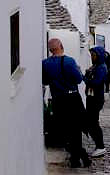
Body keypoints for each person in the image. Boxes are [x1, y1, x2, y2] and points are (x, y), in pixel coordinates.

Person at [42, 38, 91, 168]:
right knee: (76, 129)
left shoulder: (45, 63)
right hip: (72, 98)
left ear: (50, 50)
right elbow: (79, 79)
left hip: (58, 100)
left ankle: (76, 157)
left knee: (64, 130)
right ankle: (80, 157)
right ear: (62, 46)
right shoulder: (69, 61)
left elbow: (45, 81)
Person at [84, 46, 108, 157]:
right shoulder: (96, 66)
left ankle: (100, 146)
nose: (92, 57)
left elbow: (95, 82)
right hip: (91, 97)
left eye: (94, 55)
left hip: (96, 99)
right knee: (90, 122)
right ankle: (99, 146)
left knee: (93, 123)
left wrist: (84, 77)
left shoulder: (101, 68)